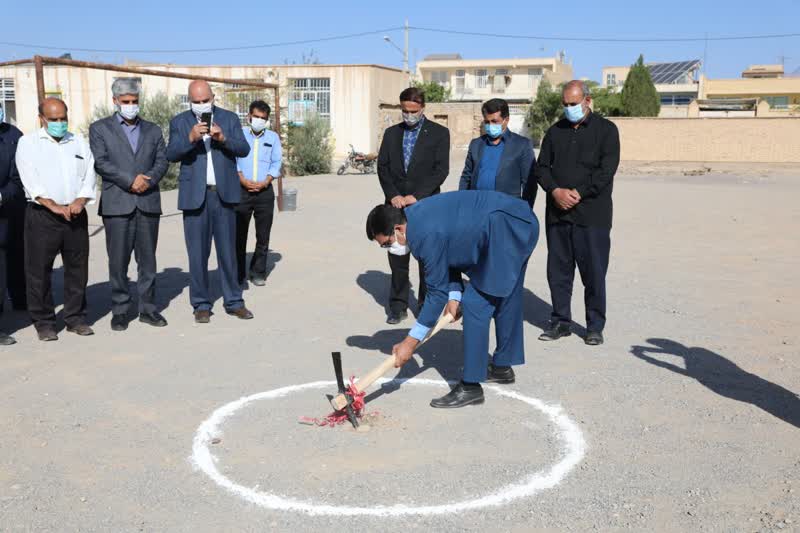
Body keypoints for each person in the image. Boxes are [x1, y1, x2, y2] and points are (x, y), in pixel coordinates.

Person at [366, 190, 539, 408]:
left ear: (398, 229)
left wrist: (409, 343)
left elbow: (436, 294)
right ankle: (502, 367)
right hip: (517, 220)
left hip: (507, 226)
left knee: (476, 303)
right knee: (505, 292)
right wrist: (455, 294)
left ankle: (471, 387)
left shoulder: (422, 235)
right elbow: (448, 251)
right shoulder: (415, 217)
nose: (389, 249)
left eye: (386, 244)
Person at [535, 80, 620, 346]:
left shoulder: (606, 130)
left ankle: (594, 325)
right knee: (558, 272)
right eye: (566, 104)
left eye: (574, 103)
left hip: (592, 216)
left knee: (593, 272)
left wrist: (579, 192)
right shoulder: (554, 132)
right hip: (558, 215)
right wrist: (555, 191)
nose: (569, 108)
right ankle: (560, 321)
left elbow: (606, 170)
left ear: (587, 101)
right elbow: (541, 168)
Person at [166, 80, 253, 323]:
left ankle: (234, 301)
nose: (202, 105)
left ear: (213, 97)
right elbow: (170, 153)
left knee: (228, 253)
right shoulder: (180, 122)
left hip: (223, 195)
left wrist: (223, 138)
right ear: (189, 101)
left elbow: (243, 149)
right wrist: (191, 138)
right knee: (197, 254)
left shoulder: (229, 118)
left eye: (206, 100)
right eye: (196, 101)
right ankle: (201, 304)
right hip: (195, 197)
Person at [89, 78, 169, 331]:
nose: (131, 106)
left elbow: (162, 160)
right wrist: (129, 180)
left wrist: (149, 180)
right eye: (126, 102)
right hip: (117, 204)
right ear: (115, 101)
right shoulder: (100, 128)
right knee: (118, 261)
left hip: (147, 202)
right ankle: (120, 310)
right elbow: (101, 162)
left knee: (148, 261)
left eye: (135, 101)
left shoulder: (153, 129)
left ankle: (148, 309)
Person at [16, 98, 96, 341]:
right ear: (42, 119)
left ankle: (75, 318)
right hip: (43, 217)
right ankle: (44, 322)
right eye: (54, 120)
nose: (60, 123)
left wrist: (79, 202)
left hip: (75, 215)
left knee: (77, 270)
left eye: (63, 118)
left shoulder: (79, 142)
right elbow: (30, 180)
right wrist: (53, 206)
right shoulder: (28, 144)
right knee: (39, 271)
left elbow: (89, 176)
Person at [377, 87, 450, 325]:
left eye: (413, 111)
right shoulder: (391, 134)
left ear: (423, 109)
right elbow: (383, 168)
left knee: (426, 257)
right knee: (398, 256)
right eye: (405, 111)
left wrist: (417, 195)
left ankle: (425, 304)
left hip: (425, 204)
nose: (408, 115)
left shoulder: (439, 133)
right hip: (396, 205)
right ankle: (397, 305)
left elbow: (441, 170)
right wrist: (393, 195)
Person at [235, 100, 281, 287]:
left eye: (263, 118)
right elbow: (233, 159)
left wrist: (266, 181)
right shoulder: (239, 135)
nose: (259, 120)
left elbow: (276, 162)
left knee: (263, 235)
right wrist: (242, 179)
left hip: (264, 192)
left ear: (267, 120)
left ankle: (258, 272)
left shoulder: (273, 137)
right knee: (238, 234)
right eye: (256, 117)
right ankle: (237, 273)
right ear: (249, 117)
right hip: (241, 191)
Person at [459, 98, 537, 207]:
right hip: (476, 208)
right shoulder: (476, 144)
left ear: (506, 119)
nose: (490, 125)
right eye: (487, 122)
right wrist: (462, 203)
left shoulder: (522, 145)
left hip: (506, 210)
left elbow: (530, 184)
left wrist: (524, 212)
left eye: (494, 121)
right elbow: (466, 177)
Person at [0, 103, 24, 345]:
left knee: (7, 263)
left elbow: (18, 176)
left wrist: (2, 195)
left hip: (7, 210)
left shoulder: (13, 136)